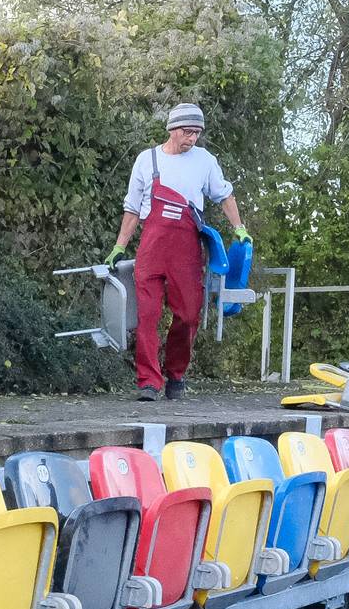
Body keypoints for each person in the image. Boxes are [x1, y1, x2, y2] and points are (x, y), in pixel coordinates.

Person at [102, 103, 249, 401]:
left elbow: (224, 195)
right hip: (151, 250)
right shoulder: (147, 160)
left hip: (186, 251)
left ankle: (176, 374)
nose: (191, 138)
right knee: (148, 315)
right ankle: (148, 381)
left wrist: (239, 227)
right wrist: (119, 246)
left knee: (188, 315)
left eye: (196, 133)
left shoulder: (205, 161)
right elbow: (132, 208)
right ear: (171, 129)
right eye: (187, 131)